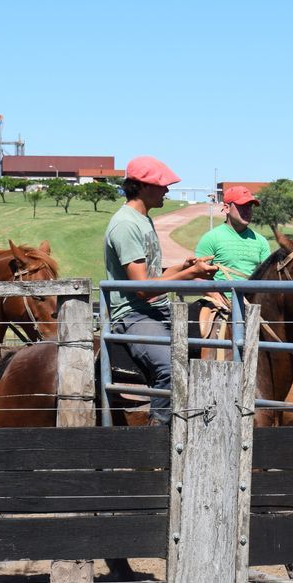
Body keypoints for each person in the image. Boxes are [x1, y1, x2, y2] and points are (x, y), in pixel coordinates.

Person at [105, 156, 218, 425]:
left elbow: (153, 276)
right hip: (133, 315)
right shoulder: (126, 225)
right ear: (143, 186)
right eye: (162, 185)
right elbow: (142, 289)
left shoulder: (144, 220)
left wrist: (185, 266)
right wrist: (191, 274)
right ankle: (157, 434)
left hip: (156, 309)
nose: (167, 190)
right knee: (170, 366)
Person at [194, 185, 270, 301]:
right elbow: (196, 275)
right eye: (242, 206)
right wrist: (215, 295)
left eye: (249, 206)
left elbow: (268, 277)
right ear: (226, 208)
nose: (247, 211)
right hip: (220, 304)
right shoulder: (211, 238)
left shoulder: (261, 241)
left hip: (253, 304)